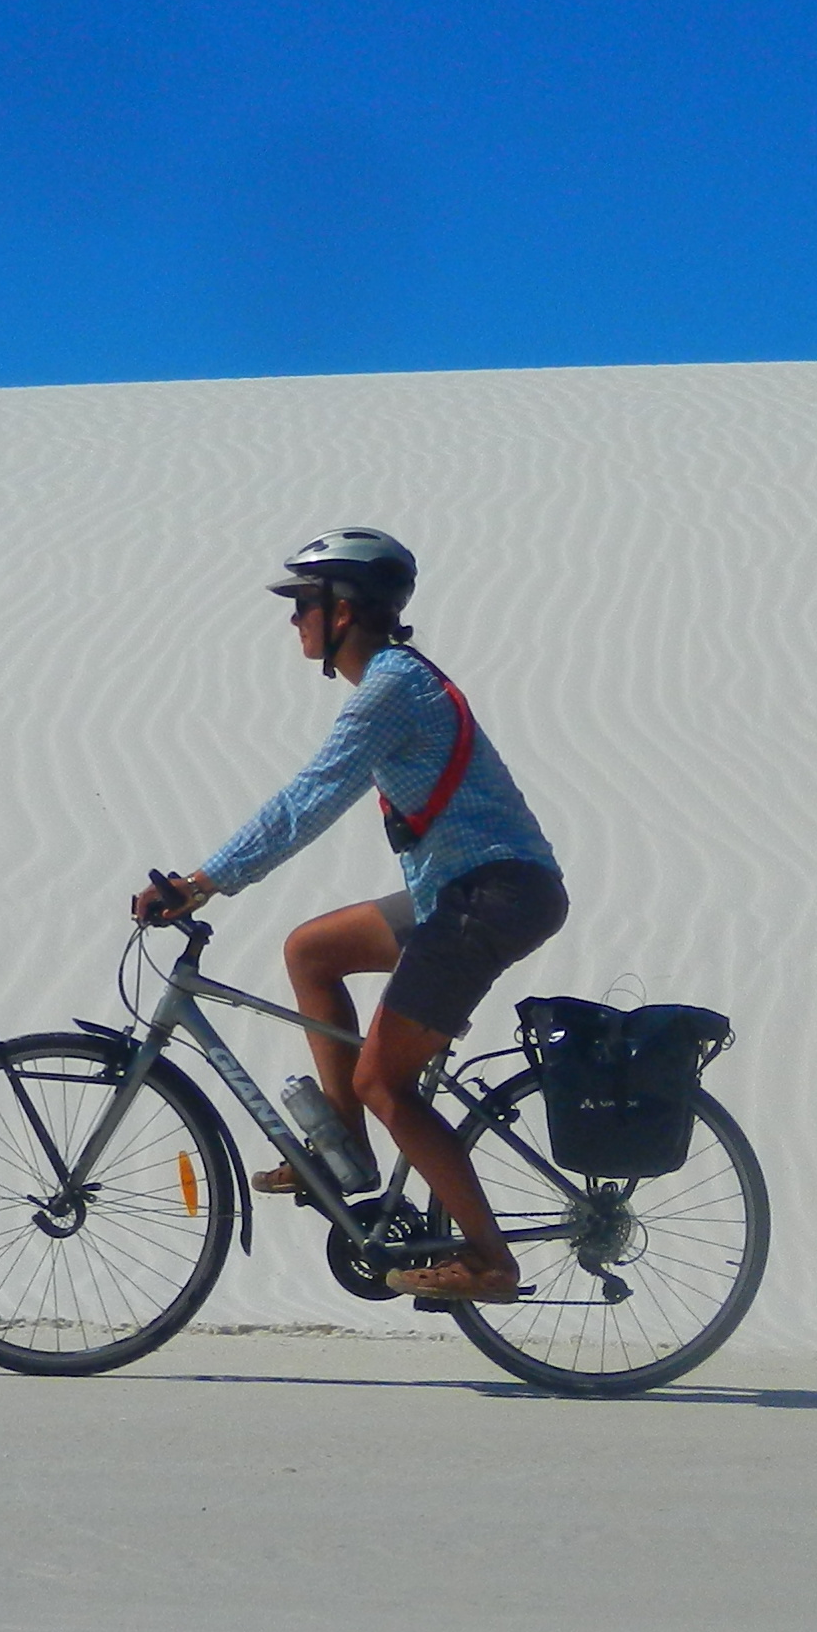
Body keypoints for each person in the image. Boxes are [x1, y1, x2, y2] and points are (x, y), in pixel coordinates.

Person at [134, 529, 567, 1305]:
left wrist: (202, 882)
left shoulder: (391, 689)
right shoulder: (395, 682)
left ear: (345, 611)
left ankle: (490, 1260)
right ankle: (346, 1156)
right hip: (463, 890)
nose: (292, 619)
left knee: (385, 1080)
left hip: (490, 895)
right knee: (312, 951)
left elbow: (307, 800)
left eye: (303, 602)